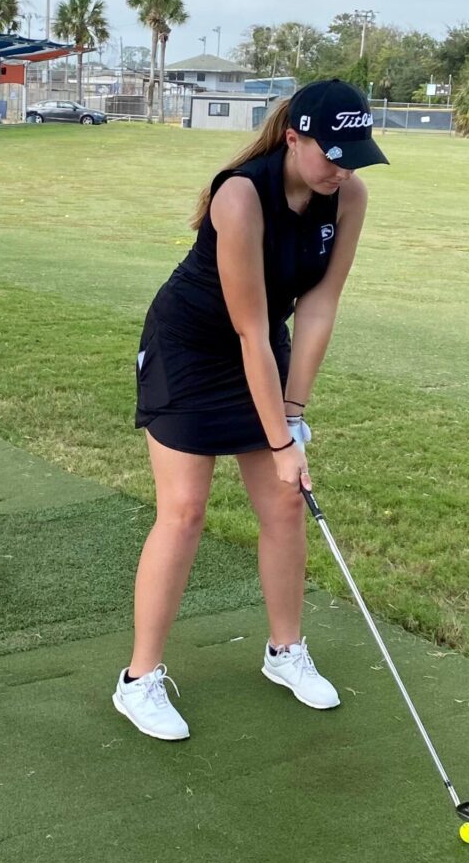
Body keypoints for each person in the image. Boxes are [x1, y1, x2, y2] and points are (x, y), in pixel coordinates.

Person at [113, 80, 386, 741]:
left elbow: (317, 306)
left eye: (354, 154)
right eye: (331, 152)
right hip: (192, 347)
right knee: (184, 511)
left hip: (264, 347)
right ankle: (138, 680)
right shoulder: (240, 195)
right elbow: (249, 328)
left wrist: (293, 413)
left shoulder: (347, 195)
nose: (342, 167)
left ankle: (283, 650)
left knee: (286, 502)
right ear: (294, 137)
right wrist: (282, 438)